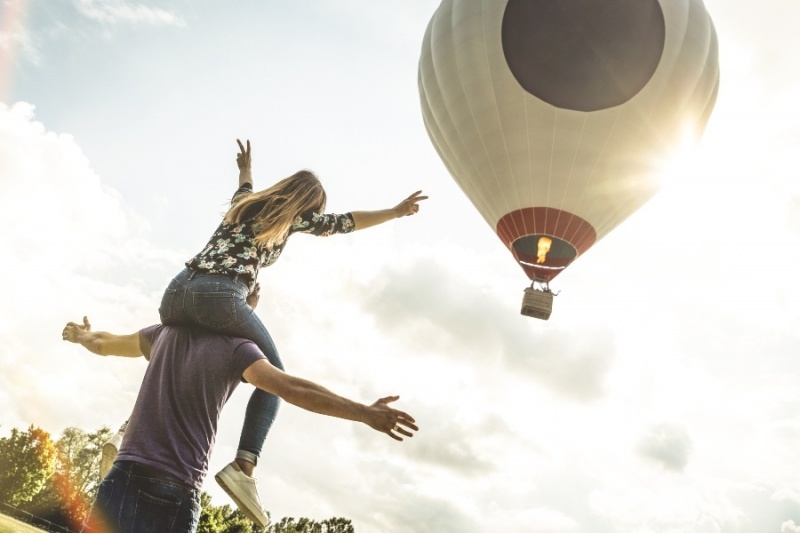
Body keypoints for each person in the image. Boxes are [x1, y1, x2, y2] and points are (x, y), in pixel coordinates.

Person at [156, 138, 427, 525]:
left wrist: (245, 167)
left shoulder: (243, 204)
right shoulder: (296, 216)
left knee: (172, 351)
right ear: (307, 204)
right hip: (220, 294)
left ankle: (128, 430)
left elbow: (246, 183)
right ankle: (244, 467)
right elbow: (347, 222)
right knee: (274, 378)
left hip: (176, 292)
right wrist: (396, 212)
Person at [62, 314, 418, 533]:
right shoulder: (238, 348)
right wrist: (365, 413)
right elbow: (291, 387)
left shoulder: (162, 334)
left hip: (123, 476)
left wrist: (80, 336)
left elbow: (103, 343)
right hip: (174, 486)